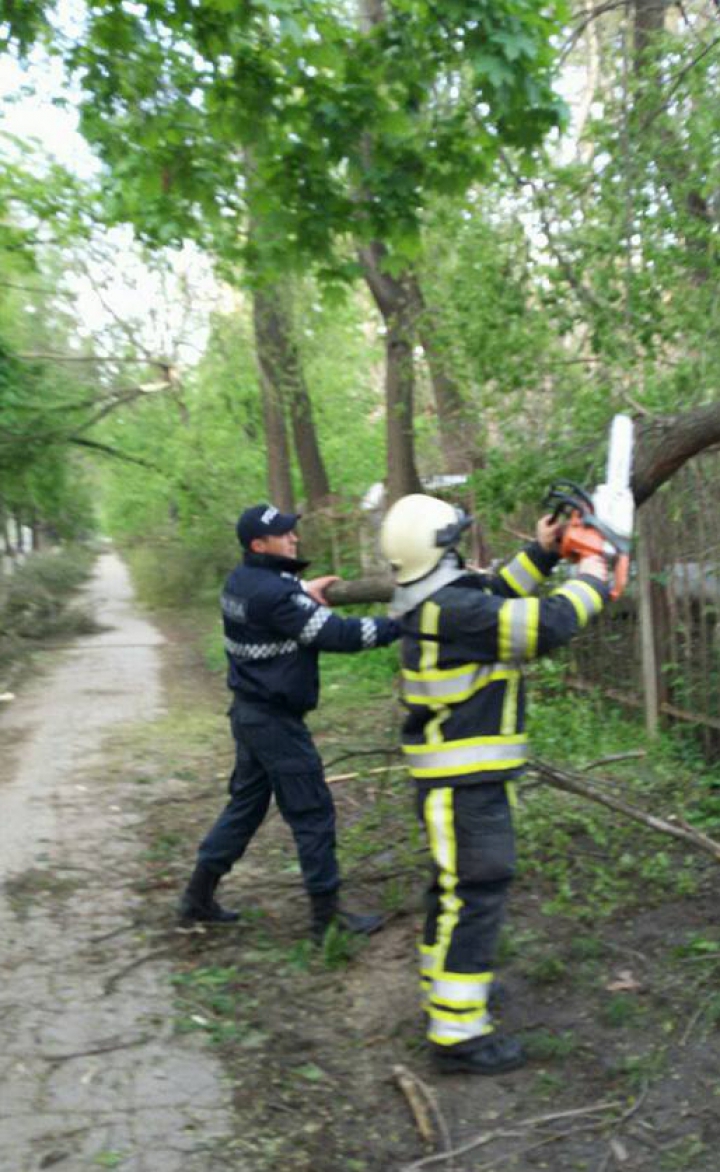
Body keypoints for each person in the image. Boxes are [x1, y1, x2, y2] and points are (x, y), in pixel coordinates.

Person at [379, 493, 610, 1076]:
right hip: (464, 786)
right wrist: (593, 578)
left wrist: (542, 552)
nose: (461, 553)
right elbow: (545, 625)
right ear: (437, 551)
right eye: (453, 543)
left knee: (453, 892)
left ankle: (451, 988)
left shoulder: (436, 599)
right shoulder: (453, 611)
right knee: (475, 895)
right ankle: (458, 1034)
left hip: (458, 779)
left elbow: (496, 592)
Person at [179, 503, 400, 943]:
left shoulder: (242, 581)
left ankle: (196, 897)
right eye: (283, 534)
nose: (294, 538)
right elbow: (339, 635)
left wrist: (301, 587)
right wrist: (403, 625)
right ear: (259, 545)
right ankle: (326, 921)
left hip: (249, 714)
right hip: (274, 722)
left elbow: (277, 599)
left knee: (245, 807)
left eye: (291, 530)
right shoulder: (276, 595)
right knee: (312, 811)